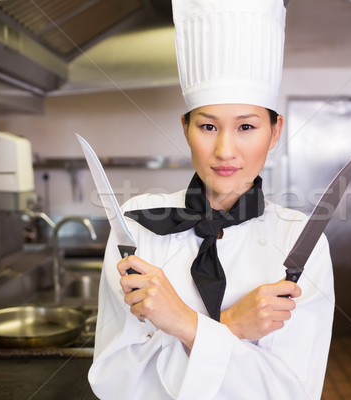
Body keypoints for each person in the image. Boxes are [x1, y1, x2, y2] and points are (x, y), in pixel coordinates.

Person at [88, 1, 334, 399]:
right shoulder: (134, 227)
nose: (225, 150)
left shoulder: (301, 241)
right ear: (185, 128)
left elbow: (292, 392)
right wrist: (231, 329)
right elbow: (115, 383)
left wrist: (185, 325)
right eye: (207, 126)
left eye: (247, 126)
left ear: (274, 133)